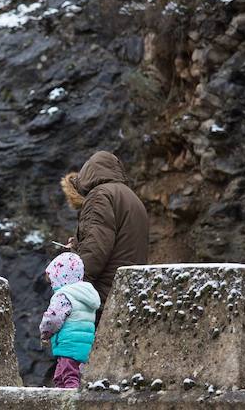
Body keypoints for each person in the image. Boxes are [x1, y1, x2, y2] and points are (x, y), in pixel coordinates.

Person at [60, 151, 148, 308]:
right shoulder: (132, 197)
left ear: (88, 172)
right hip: (129, 291)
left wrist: (74, 287)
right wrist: (78, 244)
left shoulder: (100, 196)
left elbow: (95, 249)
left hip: (102, 296)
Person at [39, 252, 101, 389]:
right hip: (84, 345)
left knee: (68, 376)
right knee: (61, 375)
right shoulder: (86, 295)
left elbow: (53, 319)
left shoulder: (63, 295)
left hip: (68, 344)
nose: (51, 285)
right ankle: (64, 398)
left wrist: (45, 332)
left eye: (52, 280)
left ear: (59, 276)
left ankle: (72, 401)